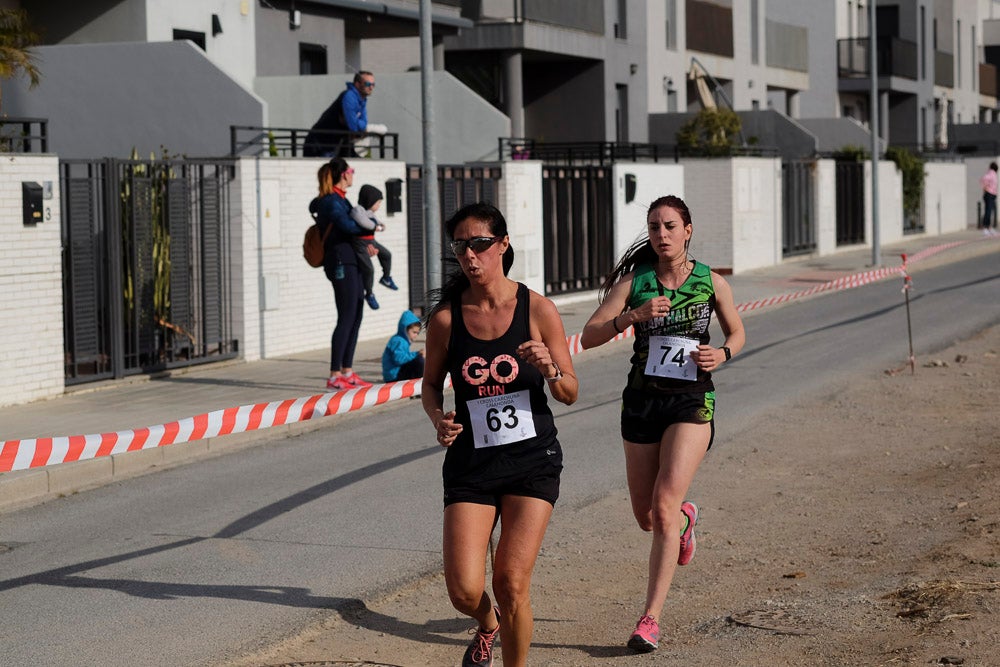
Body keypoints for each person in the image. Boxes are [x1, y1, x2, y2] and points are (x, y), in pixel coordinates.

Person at [580, 195, 745, 654]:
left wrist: (724, 353)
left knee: (664, 502)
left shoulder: (710, 281)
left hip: (692, 400)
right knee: (647, 516)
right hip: (641, 402)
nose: (662, 234)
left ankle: (649, 619)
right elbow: (589, 336)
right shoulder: (637, 282)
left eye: (670, 225)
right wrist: (631, 316)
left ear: (687, 229)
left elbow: (737, 331)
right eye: (654, 227)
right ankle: (685, 524)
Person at [421, 202, 578, 667]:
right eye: (460, 247)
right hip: (472, 462)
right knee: (465, 590)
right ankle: (487, 625)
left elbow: (569, 391)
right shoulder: (447, 319)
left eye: (480, 244)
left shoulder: (538, 309)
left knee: (511, 582)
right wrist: (438, 417)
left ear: (503, 245)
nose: (470, 256)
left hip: (532, 460)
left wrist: (550, 367)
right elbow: (430, 384)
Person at [309, 157, 379, 391]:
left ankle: (347, 371)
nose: (353, 174)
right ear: (342, 174)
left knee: (356, 315)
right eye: (351, 170)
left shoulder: (341, 200)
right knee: (347, 315)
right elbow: (348, 227)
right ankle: (334, 375)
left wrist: (367, 241)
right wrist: (372, 226)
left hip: (352, 260)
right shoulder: (330, 202)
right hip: (340, 262)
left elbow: (353, 230)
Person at [303, 71, 387, 158]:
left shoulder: (362, 100)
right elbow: (353, 127)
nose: (371, 87)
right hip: (319, 144)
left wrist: (358, 124)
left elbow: (363, 123)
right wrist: (359, 125)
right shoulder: (349, 96)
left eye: (373, 84)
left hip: (333, 144)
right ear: (357, 84)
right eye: (367, 84)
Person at [349, 184, 398, 310]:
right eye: (378, 202)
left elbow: (378, 222)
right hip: (360, 243)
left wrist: (381, 225)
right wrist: (375, 227)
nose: (379, 206)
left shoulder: (370, 213)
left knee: (387, 254)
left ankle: (386, 277)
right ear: (370, 200)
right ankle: (369, 293)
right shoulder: (357, 210)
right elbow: (363, 222)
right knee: (369, 269)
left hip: (371, 241)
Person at [381, 310, 424, 382]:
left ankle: (420, 383)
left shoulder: (401, 340)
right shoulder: (399, 341)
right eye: (414, 332)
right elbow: (399, 359)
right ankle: (419, 385)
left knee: (419, 359)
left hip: (396, 372)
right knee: (419, 361)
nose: (416, 335)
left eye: (417, 333)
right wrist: (416, 354)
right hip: (393, 376)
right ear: (405, 329)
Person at [981, 162, 998, 236]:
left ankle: (989, 227)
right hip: (989, 194)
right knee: (988, 211)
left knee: (991, 211)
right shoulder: (991, 173)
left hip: (992, 194)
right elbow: (983, 179)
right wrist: (986, 188)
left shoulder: (992, 173)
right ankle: (985, 228)